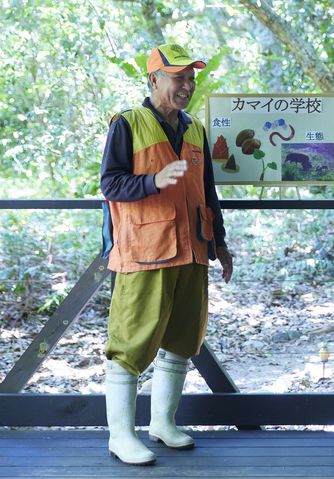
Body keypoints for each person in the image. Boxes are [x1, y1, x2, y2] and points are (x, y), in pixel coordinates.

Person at [100, 43, 233, 466]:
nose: (188, 86)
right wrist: (154, 181)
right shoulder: (127, 124)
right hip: (145, 250)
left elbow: (207, 192)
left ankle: (163, 423)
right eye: (179, 78)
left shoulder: (195, 128)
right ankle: (120, 436)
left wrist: (222, 244)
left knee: (182, 340)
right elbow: (111, 185)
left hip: (193, 247)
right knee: (131, 344)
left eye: (191, 78)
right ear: (154, 79)